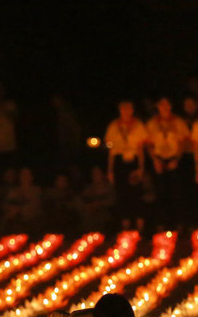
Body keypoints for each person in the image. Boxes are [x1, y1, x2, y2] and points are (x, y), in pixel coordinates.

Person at [146, 97, 190, 228]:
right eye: (161, 105)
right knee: (160, 192)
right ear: (157, 106)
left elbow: (184, 142)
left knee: (176, 192)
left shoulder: (178, 122)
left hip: (175, 159)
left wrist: (177, 159)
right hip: (158, 159)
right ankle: (162, 224)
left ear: (170, 106)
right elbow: (148, 144)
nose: (164, 107)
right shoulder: (152, 123)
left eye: (166, 104)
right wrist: (155, 160)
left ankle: (179, 224)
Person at [104, 101, 148, 229]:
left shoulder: (138, 125)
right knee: (121, 193)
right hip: (119, 161)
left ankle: (140, 226)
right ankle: (126, 226)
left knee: (136, 193)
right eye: (123, 109)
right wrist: (110, 170)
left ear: (132, 110)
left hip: (133, 160)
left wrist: (141, 167)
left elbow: (140, 148)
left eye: (128, 109)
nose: (126, 111)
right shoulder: (114, 126)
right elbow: (111, 151)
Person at [1, 167, 43, 234]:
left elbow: (35, 206)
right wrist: (11, 209)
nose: (24, 177)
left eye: (27, 174)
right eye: (22, 174)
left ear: (31, 176)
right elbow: (7, 203)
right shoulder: (15, 190)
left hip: (32, 220)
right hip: (15, 220)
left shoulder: (36, 190)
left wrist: (19, 210)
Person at [78, 166, 116, 231]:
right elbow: (82, 199)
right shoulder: (89, 188)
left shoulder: (108, 187)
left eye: (98, 173)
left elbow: (112, 200)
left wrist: (100, 204)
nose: (95, 176)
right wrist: (87, 206)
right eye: (94, 174)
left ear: (102, 175)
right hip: (90, 212)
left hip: (105, 212)